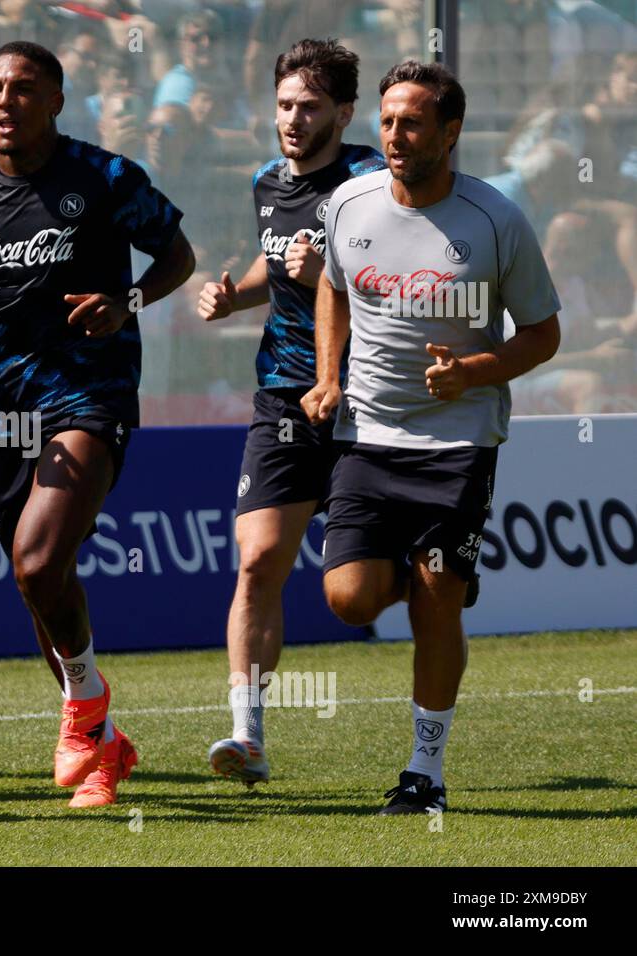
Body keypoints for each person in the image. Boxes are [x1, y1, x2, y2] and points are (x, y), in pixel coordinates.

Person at [0, 41, 195, 808]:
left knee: (35, 563)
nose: (5, 101)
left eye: (24, 88)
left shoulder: (104, 177)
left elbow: (178, 256)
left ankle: (83, 710)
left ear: (57, 100)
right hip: (3, 408)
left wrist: (124, 302)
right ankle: (101, 745)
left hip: (90, 395)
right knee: (41, 582)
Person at [301, 61, 561, 814]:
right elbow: (332, 285)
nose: (393, 136)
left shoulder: (495, 219)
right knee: (350, 600)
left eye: (411, 123)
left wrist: (475, 369)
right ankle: (432, 573)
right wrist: (327, 376)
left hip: (457, 440)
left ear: (450, 133)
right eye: (385, 121)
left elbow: (543, 332)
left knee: (438, 593)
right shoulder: (348, 203)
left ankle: (425, 772)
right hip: (366, 436)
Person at [195, 39, 385, 787]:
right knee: (257, 562)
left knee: (355, 592)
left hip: (367, 396)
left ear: (344, 111)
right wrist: (233, 295)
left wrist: (337, 272)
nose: (293, 120)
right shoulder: (267, 181)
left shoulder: (372, 183)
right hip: (282, 396)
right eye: (283, 105)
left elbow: (405, 285)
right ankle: (248, 735)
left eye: (309, 107)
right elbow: (276, 260)